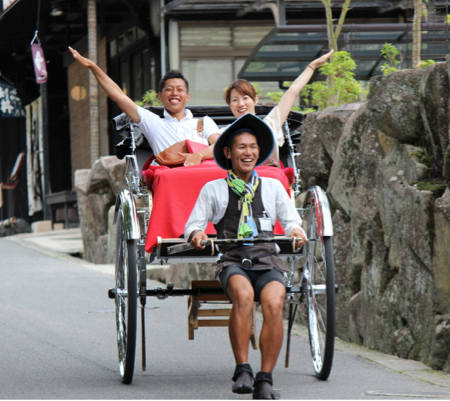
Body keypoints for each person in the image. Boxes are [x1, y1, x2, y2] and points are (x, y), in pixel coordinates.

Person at [185, 114, 307, 399]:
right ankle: (243, 369)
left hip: (267, 258)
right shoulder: (213, 189)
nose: (248, 152)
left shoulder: (274, 187)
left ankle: (265, 378)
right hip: (232, 259)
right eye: (241, 147)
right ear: (228, 152)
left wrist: (297, 231)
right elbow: (193, 225)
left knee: (275, 302)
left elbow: (291, 222)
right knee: (242, 295)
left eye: (253, 147)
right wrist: (198, 235)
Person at [68, 47, 220, 166]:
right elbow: (119, 96)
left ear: (187, 97)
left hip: (202, 182)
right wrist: (93, 66)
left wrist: (198, 155)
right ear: (160, 96)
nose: (174, 93)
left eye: (180, 89)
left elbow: (221, 146)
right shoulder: (154, 123)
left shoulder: (203, 123)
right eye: (169, 89)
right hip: (169, 184)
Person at [223, 49, 334, 163]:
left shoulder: (269, 124)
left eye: (245, 98)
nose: (241, 104)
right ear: (230, 105)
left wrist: (312, 66)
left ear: (255, 99)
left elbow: (293, 91)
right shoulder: (225, 133)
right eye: (235, 100)